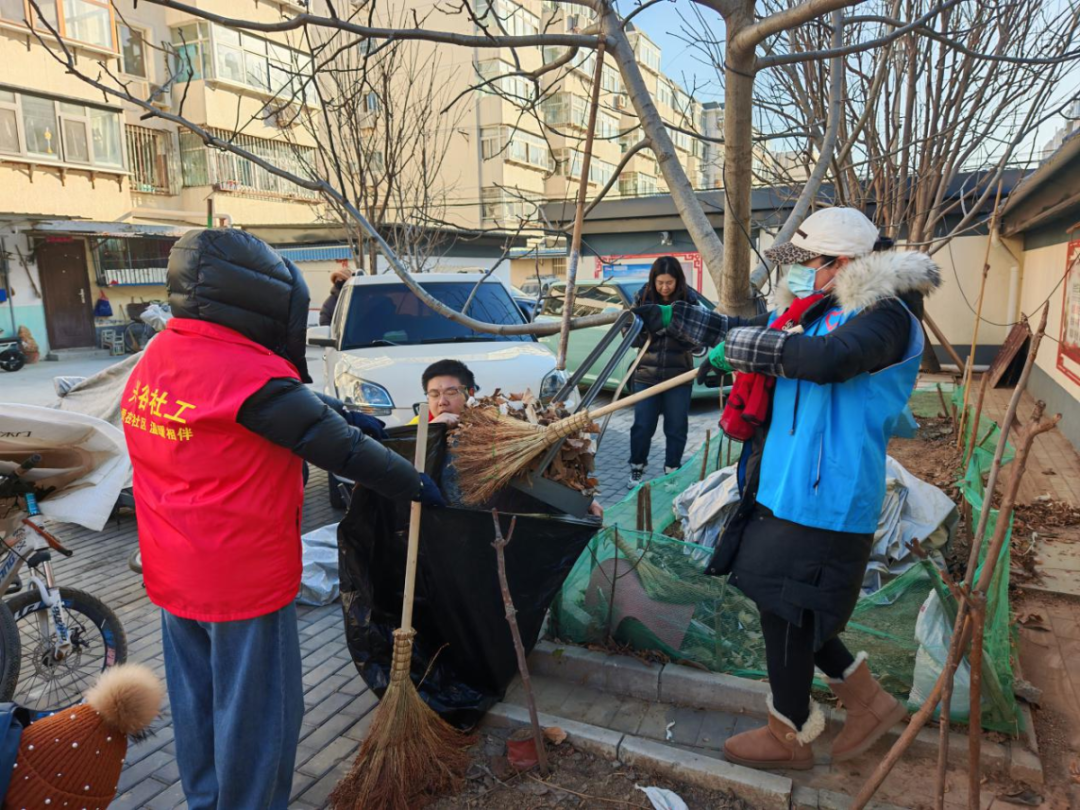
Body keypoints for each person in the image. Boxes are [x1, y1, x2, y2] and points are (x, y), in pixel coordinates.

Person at [121, 229, 444, 810]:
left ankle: (206, 800)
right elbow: (341, 451)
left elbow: (275, 407)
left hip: (173, 569)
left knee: (198, 703)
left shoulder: (165, 351)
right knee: (258, 716)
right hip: (240, 579)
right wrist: (415, 483)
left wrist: (340, 411)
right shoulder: (246, 373)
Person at [634, 208, 940, 770]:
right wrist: (688, 323)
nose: (795, 272)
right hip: (781, 486)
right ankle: (866, 701)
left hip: (829, 496)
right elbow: (750, 333)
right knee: (779, 600)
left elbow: (829, 360)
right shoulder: (816, 309)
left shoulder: (886, 315)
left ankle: (789, 734)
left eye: (805, 261)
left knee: (792, 609)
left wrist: (748, 350)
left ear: (841, 262)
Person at [412, 359, 603, 518]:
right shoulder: (414, 429)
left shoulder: (494, 425)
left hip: (488, 524)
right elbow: (406, 467)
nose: (442, 401)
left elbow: (535, 468)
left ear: (470, 393)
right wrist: (432, 430)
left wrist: (580, 498)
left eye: (451, 392)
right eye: (434, 394)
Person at [627, 256, 699, 489]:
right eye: (660, 282)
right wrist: (653, 330)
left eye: (669, 282)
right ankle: (637, 467)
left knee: (676, 427)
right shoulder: (642, 298)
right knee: (642, 426)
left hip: (679, 377)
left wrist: (676, 331)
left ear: (678, 281)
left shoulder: (690, 301)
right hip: (646, 375)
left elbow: (698, 340)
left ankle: (672, 471)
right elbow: (630, 336)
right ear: (653, 280)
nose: (665, 287)